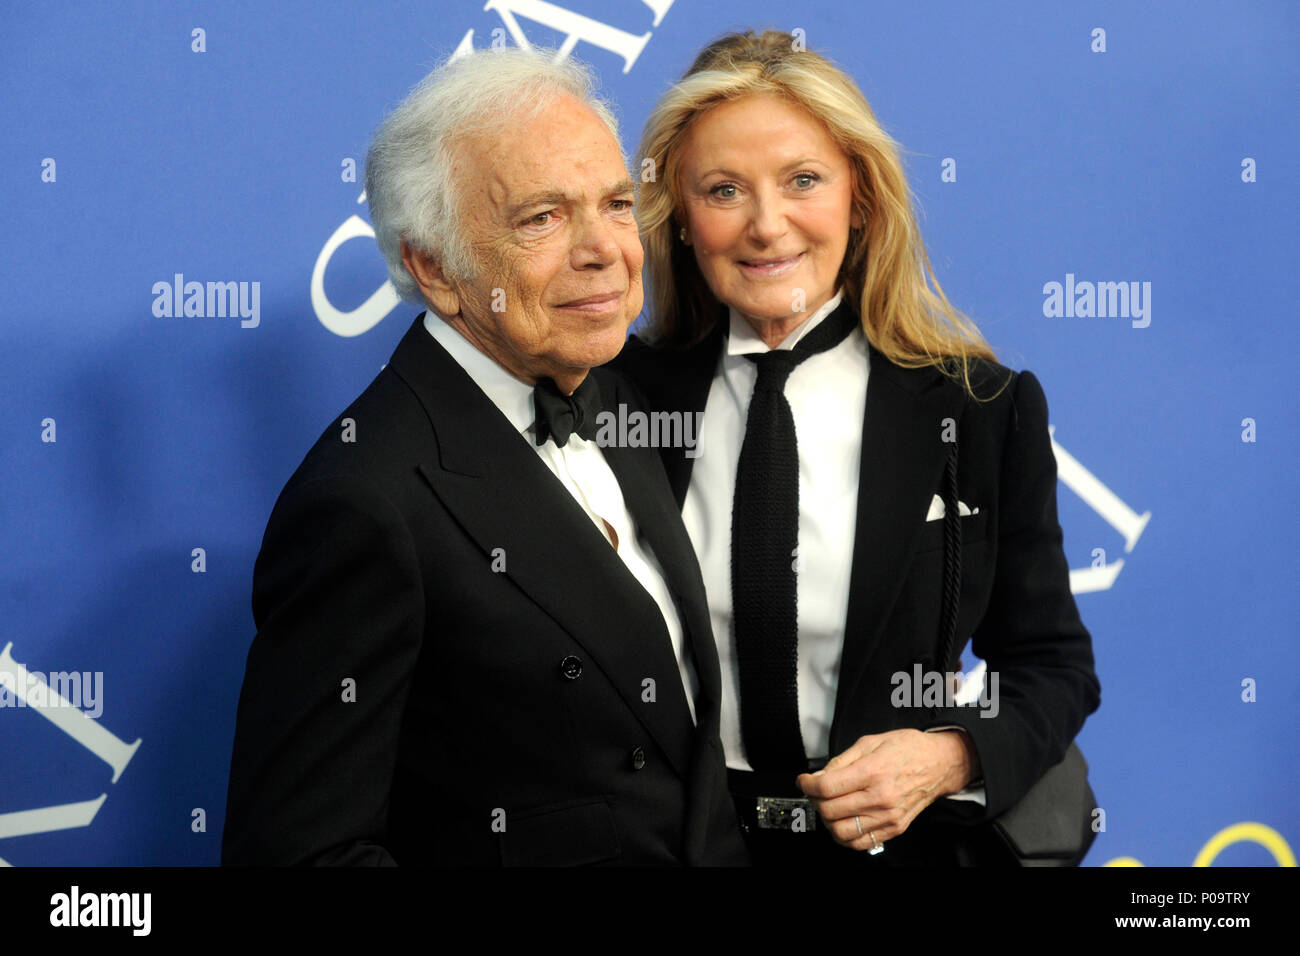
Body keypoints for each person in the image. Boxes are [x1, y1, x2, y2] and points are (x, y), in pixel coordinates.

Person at [221, 48, 747, 866]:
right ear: (434, 268)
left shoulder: (608, 395)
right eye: (541, 218)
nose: (604, 248)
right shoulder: (364, 503)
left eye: (614, 203)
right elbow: (300, 855)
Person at [612, 30, 1101, 865]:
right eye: (724, 190)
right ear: (681, 219)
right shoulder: (617, 396)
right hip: (672, 845)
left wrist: (950, 755)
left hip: (902, 848)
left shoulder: (981, 407)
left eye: (804, 180)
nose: (768, 227)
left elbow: (1052, 666)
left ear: (860, 198)